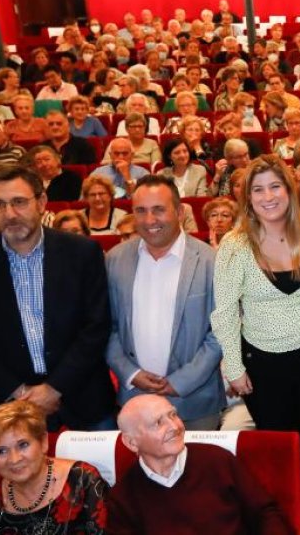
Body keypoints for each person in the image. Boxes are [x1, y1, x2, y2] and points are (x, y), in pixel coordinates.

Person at [212, 156, 300, 533]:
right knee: (275, 441)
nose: (268, 196)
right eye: (258, 189)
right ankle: (282, 509)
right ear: (247, 197)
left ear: (289, 190)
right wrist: (234, 367)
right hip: (263, 364)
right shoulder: (234, 247)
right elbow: (223, 313)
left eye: (275, 186)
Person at [0, 165, 115, 430]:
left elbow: (96, 325)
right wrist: (17, 391)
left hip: (84, 398)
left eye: (19, 202)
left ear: (41, 202)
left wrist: (55, 388)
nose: (10, 214)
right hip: (12, 404)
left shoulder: (82, 252)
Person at [106, 175, 225, 429]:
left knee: (198, 469)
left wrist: (180, 382)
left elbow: (221, 332)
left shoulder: (211, 261)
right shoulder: (115, 260)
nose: (150, 220)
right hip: (135, 402)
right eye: (141, 211)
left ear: (180, 212)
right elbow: (107, 326)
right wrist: (131, 374)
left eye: (159, 210)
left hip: (195, 404)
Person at [107, 394, 292, 534]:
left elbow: (265, 513)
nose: (174, 426)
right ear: (132, 443)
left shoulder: (217, 460)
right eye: (158, 423)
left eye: (173, 415)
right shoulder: (122, 499)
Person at [0, 400, 110, 532]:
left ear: (43, 442)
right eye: (1, 451)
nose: (14, 459)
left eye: (23, 445)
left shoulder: (82, 482)